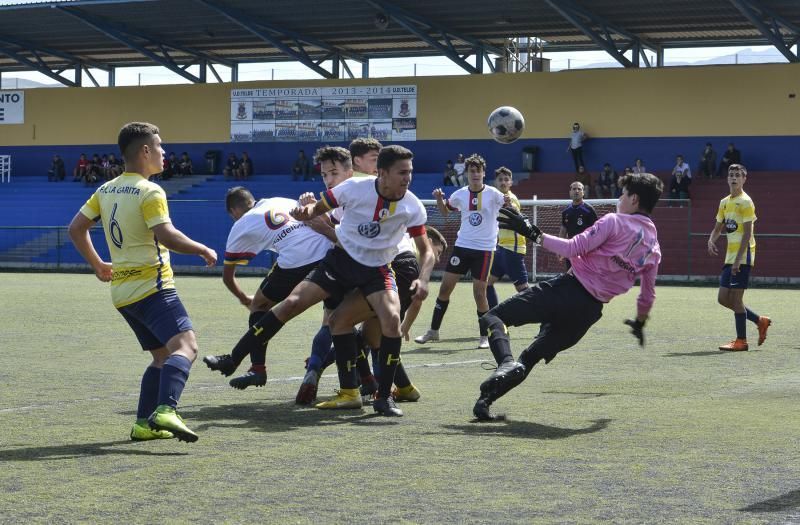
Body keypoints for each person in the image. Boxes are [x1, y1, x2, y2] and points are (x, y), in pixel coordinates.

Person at [210, 145, 433, 417]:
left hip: (378, 269)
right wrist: (307, 212)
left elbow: (427, 250)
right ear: (383, 173)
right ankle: (233, 359)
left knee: (389, 321)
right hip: (341, 262)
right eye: (402, 172)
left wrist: (423, 279)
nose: (408, 178)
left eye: (409, 172)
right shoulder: (352, 190)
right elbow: (318, 208)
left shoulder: (412, 206)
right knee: (292, 304)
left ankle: (383, 398)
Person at [67, 122, 217, 442]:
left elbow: (76, 228)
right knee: (186, 347)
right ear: (145, 151)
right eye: (160, 147)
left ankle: (143, 424)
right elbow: (166, 235)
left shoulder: (105, 190)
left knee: (162, 356)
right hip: (153, 286)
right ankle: (166, 410)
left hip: (122, 293)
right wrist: (201, 248)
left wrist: (97, 265)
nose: (165, 153)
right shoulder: (150, 191)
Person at [471, 172, 664, 421]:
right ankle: (484, 402)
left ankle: (505, 362)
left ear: (634, 199)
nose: (619, 198)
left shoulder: (614, 222)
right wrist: (639, 322)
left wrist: (532, 233)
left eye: (623, 194)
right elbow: (648, 295)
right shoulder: (654, 248)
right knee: (529, 358)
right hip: (588, 314)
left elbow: (572, 247)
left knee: (493, 317)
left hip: (567, 291)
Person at [209, 187, 333, 389]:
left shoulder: (241, 224)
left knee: (260, 306)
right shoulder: (279, 199)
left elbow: (228, 276)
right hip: (330, 250)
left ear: (233, 212)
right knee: (336, 318)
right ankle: (361, 382)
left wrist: (244, 299)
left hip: (298, 258)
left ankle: (257, 368)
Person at [415, 154, 506, 349]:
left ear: (483, 173)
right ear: (466, 173)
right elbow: (445, 212)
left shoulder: (494, 195)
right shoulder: (459, 194)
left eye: (478, 171)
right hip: (462, 247)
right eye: (471, 171)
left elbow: (511, 209)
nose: (475, 174)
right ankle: (433, 331)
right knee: (445, 288)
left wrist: (508, 202)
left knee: (479, 293)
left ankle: (484, 335)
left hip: (484, 250)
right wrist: (440, 199)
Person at [707, 164, 771, 351]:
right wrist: (711, 240)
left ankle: (741, 341)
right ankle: (760, 321)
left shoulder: (746, 202)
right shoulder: (724, 202)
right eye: (731, 175)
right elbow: (718, 227)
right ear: (727, 179)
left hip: (742, 257)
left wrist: (737, 260)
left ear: (744, 179)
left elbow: (747, 234)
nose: (734, 178)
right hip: (730, 257)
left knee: (735, 300)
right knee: (723, 298)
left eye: (738, 175)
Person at [487, 167, 529, 309]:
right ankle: (495, 315)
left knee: (523, 290)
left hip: (513, 250)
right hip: (501, 249)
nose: (503, 182)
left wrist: (509, 205)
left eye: (506, 180)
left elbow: (515, 213)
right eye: (500, 180)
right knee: (487, 282)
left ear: (511, 182)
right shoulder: (498, 198)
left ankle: (545, 315)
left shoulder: (510, 198)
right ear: (495, 183)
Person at [559, 181, 598, 269]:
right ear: (570, 192)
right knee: (570, 277)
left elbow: (596, 231)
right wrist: (560, 249)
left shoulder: (589, 210)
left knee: (585, 277)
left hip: (586, 250)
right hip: (571, 249)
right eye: (574, 189)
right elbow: (563, 230)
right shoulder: (566, 211)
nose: (576, 191)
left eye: (579, 189)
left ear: (583, 193)